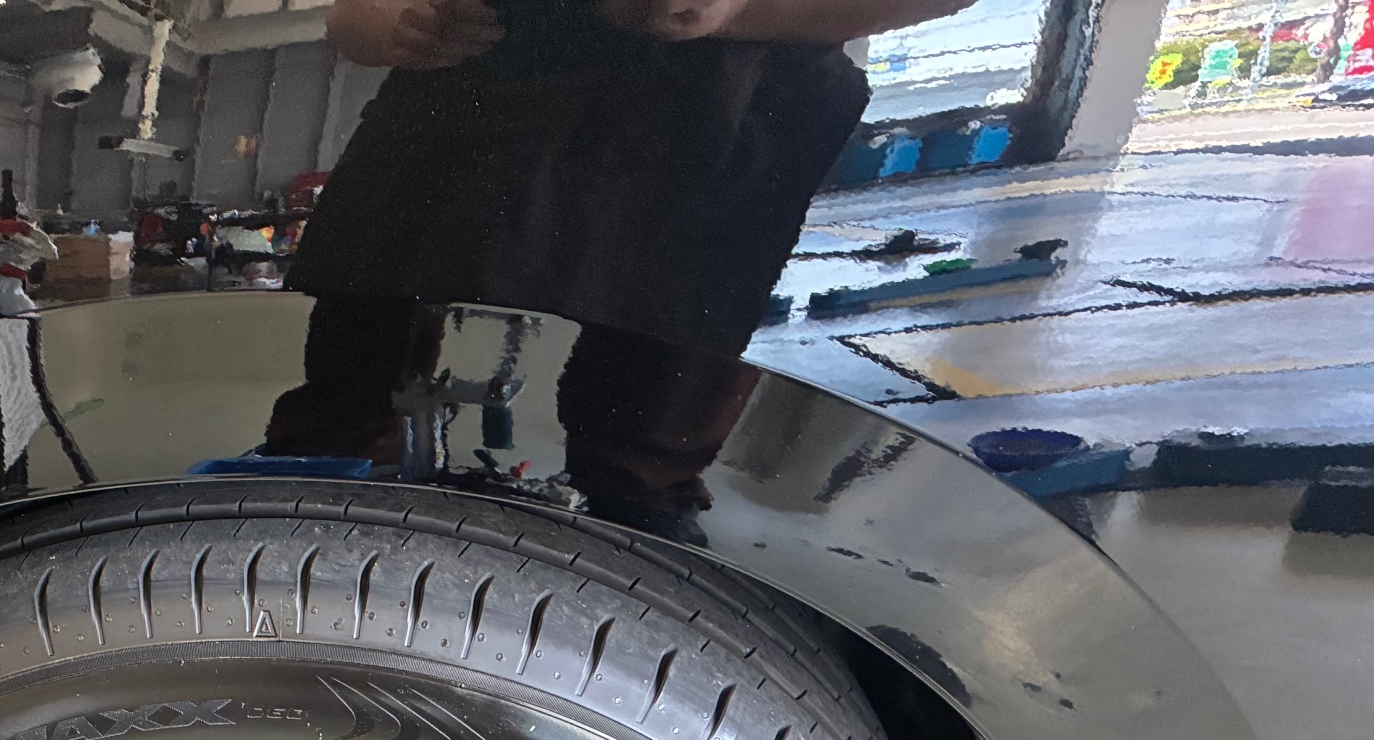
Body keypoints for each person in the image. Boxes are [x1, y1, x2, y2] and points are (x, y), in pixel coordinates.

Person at [268, 0, 974, 536]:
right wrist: (381, 19)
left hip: (725, 115)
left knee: (651, 426)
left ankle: (639, 532)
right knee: (352, 394)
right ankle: (324, 494)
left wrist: (741, 12)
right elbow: (354, 15)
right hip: (473, 96)